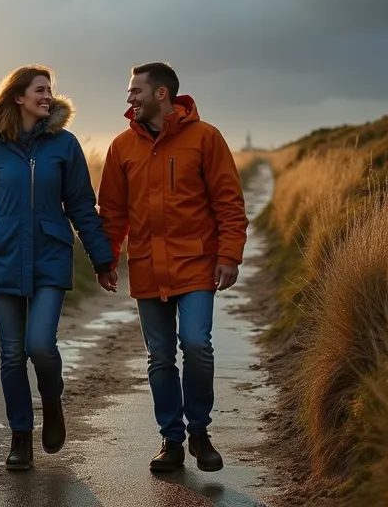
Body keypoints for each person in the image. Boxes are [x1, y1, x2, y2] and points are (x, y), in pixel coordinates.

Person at [0, 64, 115, 471]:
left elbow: (80, 206)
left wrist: (102, 258)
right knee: (10, 355)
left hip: (51, 255)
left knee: (40, 345)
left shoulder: (65, 145)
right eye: (40, 90)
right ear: (18, 97)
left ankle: (53, 402)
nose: (48, 96)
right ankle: (20, 436)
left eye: (50, 90)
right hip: (4, 257)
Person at [95, 62, 248, 473]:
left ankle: (199, 431)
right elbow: (111, 212)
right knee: (160, 357)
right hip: (146, 268)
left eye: (135, 91)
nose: (129, 98)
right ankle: (172, 439)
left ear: (161, 94)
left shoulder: (205, 138)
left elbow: (229, 203)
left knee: (196, 344)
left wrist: (229, 255)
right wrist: (105, 259)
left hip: (196, 264)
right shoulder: (121, 147)